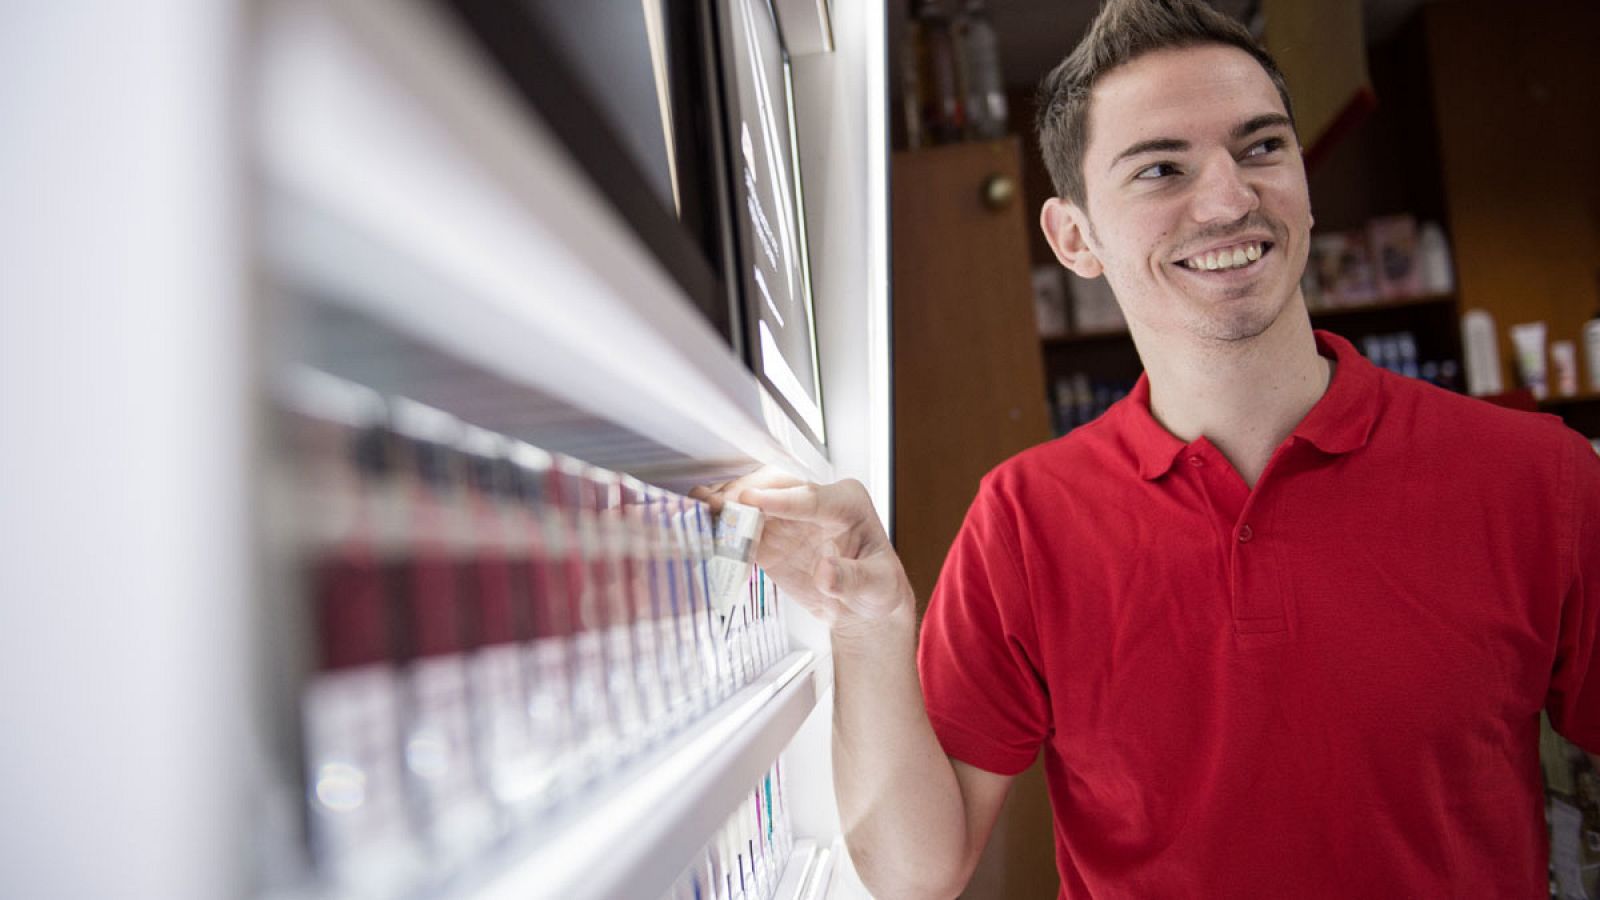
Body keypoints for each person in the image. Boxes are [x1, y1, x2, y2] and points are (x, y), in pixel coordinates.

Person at [697, 0, 1600, 895]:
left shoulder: (1539, 475)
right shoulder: (1023, 521)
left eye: (1261, 147)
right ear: (1074, 238)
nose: (1229, 197)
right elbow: (911, 871)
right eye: (1161, 168)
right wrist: (868, 624)